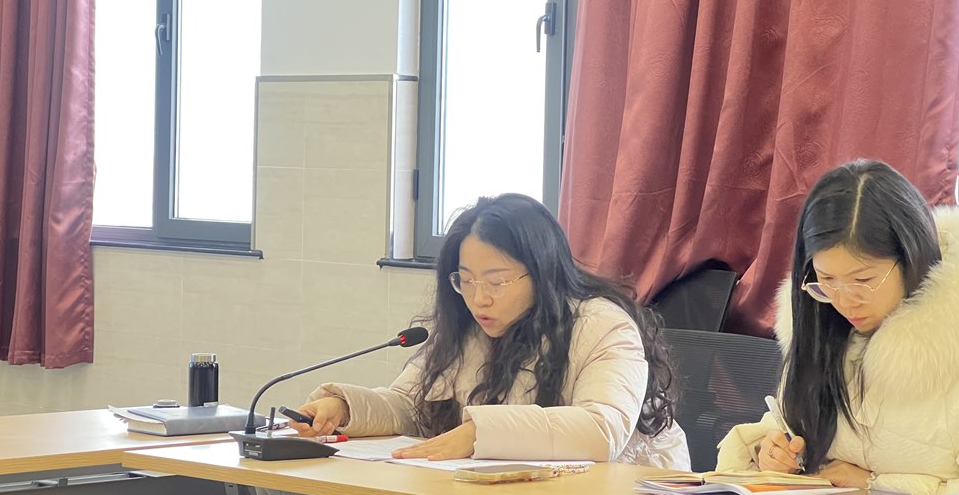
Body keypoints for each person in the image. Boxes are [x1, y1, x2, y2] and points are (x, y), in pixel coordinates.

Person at [289, 193, 691, 468]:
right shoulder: (469, 328)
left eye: (497, 282)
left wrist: (479, 433)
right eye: (466, 281)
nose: (479, 298)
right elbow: (410, 406)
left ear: (542, 273)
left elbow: (601, 431)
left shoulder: (603, 325)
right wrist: (345, 410)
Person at [717, 160, 959, 495]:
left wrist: (874, 484)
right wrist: (771, 455)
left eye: (863, 280)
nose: (844, 302)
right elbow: (784, 428)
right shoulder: (820, 328)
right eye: (827, 279)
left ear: (913, 258)